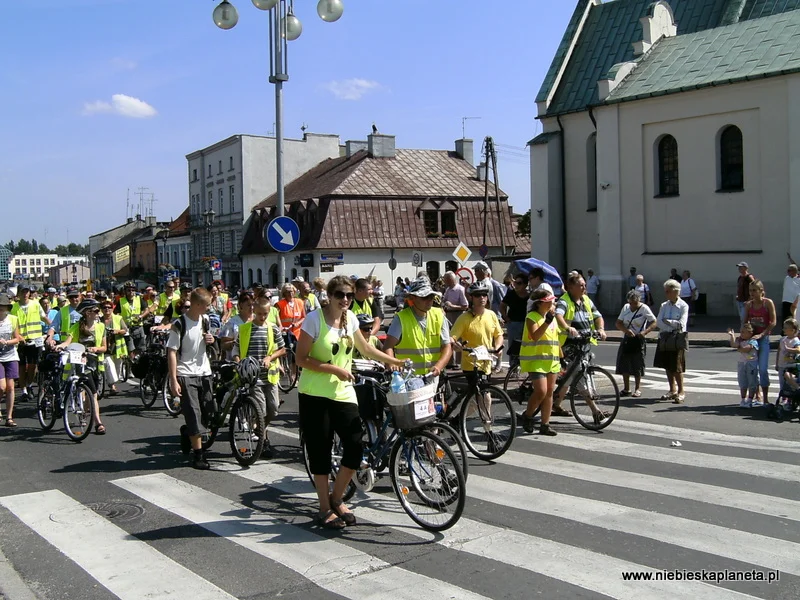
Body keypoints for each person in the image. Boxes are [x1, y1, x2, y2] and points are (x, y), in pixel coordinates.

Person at [295, 275, 404, 529]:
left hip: (343, 393)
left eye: (348, 295)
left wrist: (395, 362)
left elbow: (365, 349)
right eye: (340, 295)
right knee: (320, 451)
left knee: (355, 446)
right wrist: (334, 370)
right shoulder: (315, 320)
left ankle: (337, 497)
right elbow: (301, 359)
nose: (345, 299)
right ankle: (324, 507)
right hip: (315, 393)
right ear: (329, 296)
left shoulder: (350, 319)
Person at [232, 296, 286, 458]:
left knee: (274, 408)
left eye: (265, 314)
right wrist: (239, 363)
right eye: (260, 313)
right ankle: (263, 440)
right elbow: (236, 350)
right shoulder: (245, 329)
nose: (262, 317)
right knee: (261, 409)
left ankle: (258, 428)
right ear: (254, 311)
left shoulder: (273, 328)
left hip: (270, 376)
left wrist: (270, 358)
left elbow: (283, 349)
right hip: (253, 377)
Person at [168, 288, 215, 470]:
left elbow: (206, 342)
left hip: (204, 372)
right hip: (186, 373)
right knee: (194, 413)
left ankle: (187, 432)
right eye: (207, 305)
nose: (209, 308)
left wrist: (210, 339)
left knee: (209, 411)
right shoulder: (179, 324)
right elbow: (171, 352)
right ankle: (198, 456)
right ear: (197, 304)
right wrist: (173, 379)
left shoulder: (205, 321)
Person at [552, 273, 606, 416]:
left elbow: (598, 316)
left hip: (585, 345)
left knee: (569, 379)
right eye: (580, 285)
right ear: (570, 287)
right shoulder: (565, 301)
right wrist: (568, 327)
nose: (584, 287)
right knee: (578, 375)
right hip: (569, 346)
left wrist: (600, 329)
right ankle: (595, 410)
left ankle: (555, 405)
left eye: (584, 285)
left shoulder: (586, 300)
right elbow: (558, 315)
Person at [56, 298, 108, 434]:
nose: (98, 313)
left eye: (98, 310)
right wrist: (59, 346)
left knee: (91, 393)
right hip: (81, 362)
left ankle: (85, 412)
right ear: (86, 313)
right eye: (95, 310)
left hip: (94, 363)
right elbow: (67, 341)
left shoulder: (101, 327)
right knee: (92, 393)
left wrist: (95, 349)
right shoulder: (76, 326)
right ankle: (98, 423)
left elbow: (104, 347)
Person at [383, 277, 452, 378]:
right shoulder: (401, 318)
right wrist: (392, 365)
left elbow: (447, 347)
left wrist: (438, 366)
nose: (429, 300)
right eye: (424, 297)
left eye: (431, 296)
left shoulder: (439, 315)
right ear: (412, 298)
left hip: (432, 377)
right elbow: (388, 347)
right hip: (407, 378)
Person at [518, 288, 560, 436]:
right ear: (539, 303)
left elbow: (555, 339)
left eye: (552, 302)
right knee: (541, 391)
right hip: (536, 360)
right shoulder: (532, 317)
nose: (552, 304)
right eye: (548, 302)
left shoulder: (552, 318)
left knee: (549, 393)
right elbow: (535, 336)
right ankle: (528, 416)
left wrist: (561, 356)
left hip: (551, 360)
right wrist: (548, 321)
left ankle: (545, 424)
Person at [615, 290, 657, 398]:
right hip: (627, 338)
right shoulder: (625, 308)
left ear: (639, 301)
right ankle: (626, 388)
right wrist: (626, 331)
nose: (633, 305)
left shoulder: (644, 308)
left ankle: (638, 388)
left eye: (635, 303)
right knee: (624, 363)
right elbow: (618, 323)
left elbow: (654, 321)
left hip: (639, 339)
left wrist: (645, 332)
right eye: (631, 303)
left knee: (638, 364)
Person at [12, 284, 50, 401]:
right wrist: (18, 336)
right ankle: (23, 390)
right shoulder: (14, 308)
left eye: (27, 292)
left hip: (35, 339)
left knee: (33, 366)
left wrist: (52, 327)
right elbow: (12, 325)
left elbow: (43, 317)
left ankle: (29, 385)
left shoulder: (35, 304)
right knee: (22, 367)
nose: (25, 294)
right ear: (18, 294)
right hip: (21, 341)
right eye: (23, 292)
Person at [654, 279, 689, 404]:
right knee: (667, 365)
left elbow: (681, 324)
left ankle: (681, 391)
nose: (666, 294)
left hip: (677, 339)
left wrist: (668, 322)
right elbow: (658, 322)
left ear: (676, 292)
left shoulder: (683, 306)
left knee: (677, 366)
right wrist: (670, 325)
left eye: (668, 291)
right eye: (665, 291)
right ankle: (672, 389)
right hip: (664, 338)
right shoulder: (664, 305)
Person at [743, 279, 776, 407]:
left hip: (763, 339)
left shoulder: (767, 303)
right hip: (752, 341)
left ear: (761, 291)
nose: (752, 293)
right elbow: (745, 322)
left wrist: (762, 334)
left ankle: (766, 398)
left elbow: (773, 322)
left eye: (754, 290)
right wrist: (743, 337)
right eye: (750, 291)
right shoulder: (748, 305)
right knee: (753, 368)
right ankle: (757, 395)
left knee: (762, 369)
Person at [0, 294, 23, 427]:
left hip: (11, 355)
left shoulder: (13, 319)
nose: (1, 310)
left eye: (3, 307)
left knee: (10, 387)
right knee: (1, 386)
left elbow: (17, 338)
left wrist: (7, 342)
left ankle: (9, 417)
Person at [727, 323, 760, 408]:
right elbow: (733, 344)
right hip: (742, 363)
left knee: (752, 382)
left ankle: (750, 400)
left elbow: (747, 349)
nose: (741, 334)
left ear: (750, 333)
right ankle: (743, 399)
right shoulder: (740, 340)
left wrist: (739, 348)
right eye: (741, 332)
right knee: (742, 382)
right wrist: (732, 335)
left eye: (744, 332)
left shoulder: (753, 341)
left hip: (751, 363)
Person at [100, 300, 128, 396]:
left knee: (117, 367)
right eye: (104, 307)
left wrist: (117, 331)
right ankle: (112, 386)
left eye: (109, 307)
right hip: (104, 346)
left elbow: (125, 330)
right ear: (101, 309)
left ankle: (112, 382)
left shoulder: (118, 318)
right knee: (109, 365)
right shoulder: (99, 320)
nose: (107, 309)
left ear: (112, 309)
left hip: (116, 346)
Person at [501, 273, 531, 360]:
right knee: (513, 346)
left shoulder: (530, 295)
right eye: (515, 283)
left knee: (526, 346)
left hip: (526, 323)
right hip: (513, 323)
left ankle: (523, 366)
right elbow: (502, 305)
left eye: (519, 283)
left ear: (525, 284)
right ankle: (513, 366)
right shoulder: (511, 294)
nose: (516, 285)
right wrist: (505, 317)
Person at [219, 290, 254, 360]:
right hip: (236, 362)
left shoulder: (258, 320)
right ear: (240, 305)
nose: (252, 308)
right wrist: (232, 344)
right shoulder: (232, 323)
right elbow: (223, 345)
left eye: (253, 305)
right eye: (248, 305)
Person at [775, 318, 800, 405]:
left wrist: (788, 349)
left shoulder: (796, 340)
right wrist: (777, 363)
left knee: (789, 383)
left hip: (791, 366)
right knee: (782, 383)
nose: (784, 329)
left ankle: (790, 400)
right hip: (782, 364)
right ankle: (784, 399)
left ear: (793, 330)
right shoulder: (783, 339)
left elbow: (798, 350)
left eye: (786, 328)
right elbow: (779, 351)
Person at [735, 262, 755, 326]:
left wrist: (749, 300)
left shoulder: (749, 277)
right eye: (739, 267)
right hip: (740, 301)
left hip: (746, 302)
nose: (739, 268)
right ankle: (744, 333)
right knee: (742, 319)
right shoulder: (740, 277)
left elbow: (754, 287)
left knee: (745, 319)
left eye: (741, 267)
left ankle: (745, 333)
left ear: (746, 268)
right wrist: (738, 296)